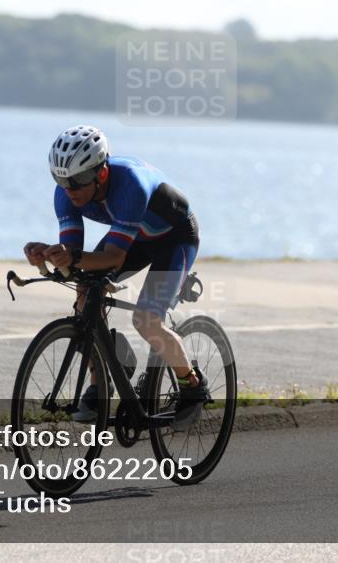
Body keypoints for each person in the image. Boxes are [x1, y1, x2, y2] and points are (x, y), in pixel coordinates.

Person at [24, 125, 209, 430]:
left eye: (79, 181)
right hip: (137, 236)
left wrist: (72, 257)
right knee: (84, 291)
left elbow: (114, 258)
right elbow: (73, 254)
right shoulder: (66, 194)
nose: (71, 190)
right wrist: (48, 255)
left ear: (102, 173)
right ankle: (103, 380)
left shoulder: (130, 186)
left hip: (175, 239)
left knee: (146, 320)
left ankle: (192, 383)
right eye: (62, 181)